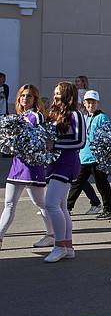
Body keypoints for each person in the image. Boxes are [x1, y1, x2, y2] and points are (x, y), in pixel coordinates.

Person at [0, 85, 54, 251]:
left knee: (40, 203)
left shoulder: (37, 117)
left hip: (32, 167)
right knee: (9, 204)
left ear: (35, 99)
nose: (25, 99)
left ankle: (52, 235)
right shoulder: (18, 116)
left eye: (29, 96)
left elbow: (44, 140)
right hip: (17, 165)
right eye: (23, 96)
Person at [43, 82, 85, 262]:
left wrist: (56, 145)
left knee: (51, 204)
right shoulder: (55, 115)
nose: (55, 96)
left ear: (68, 95)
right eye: (54, 93)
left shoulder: (76, 115)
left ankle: (58, 245)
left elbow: (80, 142)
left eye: (58, 93)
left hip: (67, 163)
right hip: (54, 163)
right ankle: (68, 247)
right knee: (61, 207)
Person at [67, 89, 111, 219]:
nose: (90, 105)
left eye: (93, 102)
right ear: (84, 103)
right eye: (88, 102)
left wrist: (104, 155)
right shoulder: (83, 117)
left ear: (98, 103)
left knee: (102, 184)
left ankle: (109, 209)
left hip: (97, 157)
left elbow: (108, 137)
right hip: (83, 156)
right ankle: (67, 207)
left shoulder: (102, 117)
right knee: (77, 183)